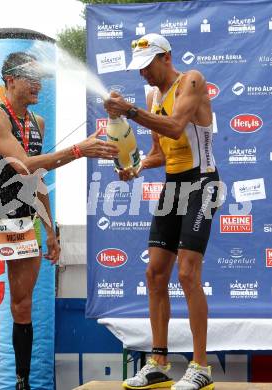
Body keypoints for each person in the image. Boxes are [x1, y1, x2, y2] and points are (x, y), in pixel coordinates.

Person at [0, 51, 118, 390]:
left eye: (40, 78)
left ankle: (22, 383)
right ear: (10, 80)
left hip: (22, 221)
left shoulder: (37, 123)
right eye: (31, 78)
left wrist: (50, 228)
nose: (38, 84)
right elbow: (24, 165)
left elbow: (37, 178)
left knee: (22, 305)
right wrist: (78, 150)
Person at [104, 33, 220, 390]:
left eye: (147, 66)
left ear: (166, 57)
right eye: (137, 69)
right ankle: (158, 362)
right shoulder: (153, 96)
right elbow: (162, 152)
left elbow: (174, 126)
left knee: (187, 274)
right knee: (155, 274)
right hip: (174, 184)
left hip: (202, 183)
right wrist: (135, 167)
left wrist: (129, 111)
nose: (143, 75)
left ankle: (201, 366)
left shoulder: (193, 81)